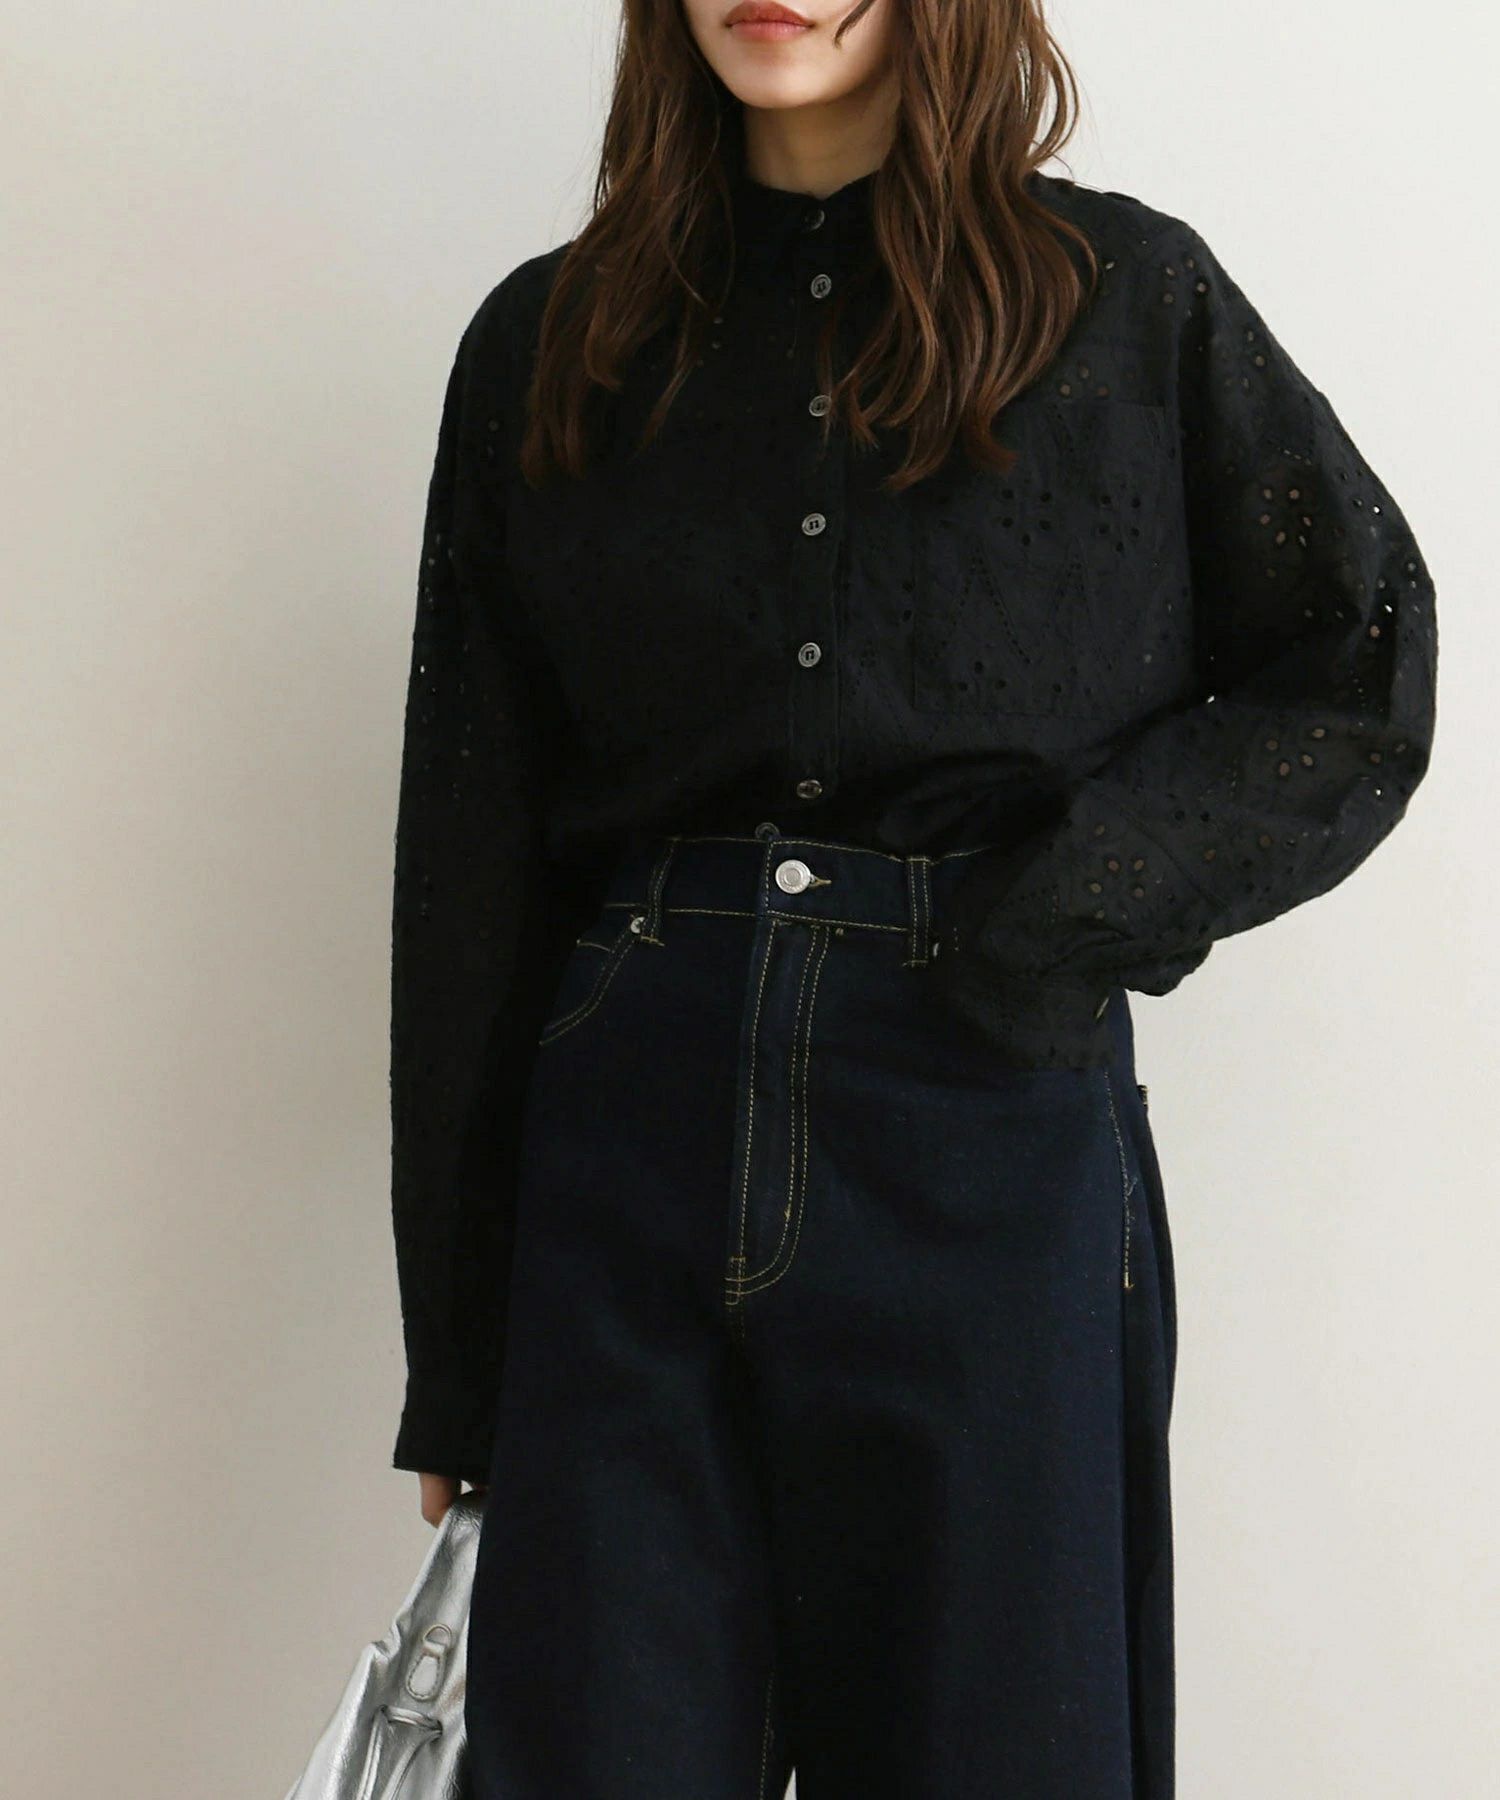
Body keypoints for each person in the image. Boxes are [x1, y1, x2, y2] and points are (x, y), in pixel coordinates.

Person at [385, 3, 1438, 1795]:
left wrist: (1060, 916)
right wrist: (460, 1348)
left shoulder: (1128, 302)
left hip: (985, 1139)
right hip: (625, 1160)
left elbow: (1358, 659)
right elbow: (473, 854)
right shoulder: (552, 341)